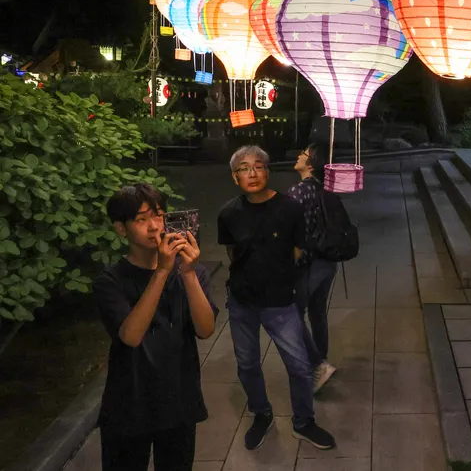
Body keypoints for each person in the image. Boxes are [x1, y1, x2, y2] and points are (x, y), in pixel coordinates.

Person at [217, 145, 336, 451]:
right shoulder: (228, 213)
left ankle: (303, 422)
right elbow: (233, 254)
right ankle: (262, 413)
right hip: (242, 301)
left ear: (268, 172)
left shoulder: (289, 208)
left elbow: (298, 250)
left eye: (258, 166)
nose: (252, 173)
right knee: (247, 364)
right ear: (235, 177)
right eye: (244, 169)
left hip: (280, 302)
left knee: (298, 366)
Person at [93, 183, 217, 471]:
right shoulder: (110, 281)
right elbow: (131, 336)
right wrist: (162, 271)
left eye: (159, 216)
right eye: (141, 219)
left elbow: (205, 329)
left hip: (178, 399)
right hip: (129, 402)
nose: (154, 227)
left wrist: (186, 274)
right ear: (121, 229)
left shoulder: (192, 271)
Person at [288, 143, 339, 392]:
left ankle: (318, 365)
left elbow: (293, 233)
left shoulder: (298, 192)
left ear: (310, 164)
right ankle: (322, 364)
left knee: (292, 314)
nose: (298, 155)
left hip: (308, 264)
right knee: (318, 313)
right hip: (328, 261)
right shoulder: (326, 189)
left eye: (303, 153)